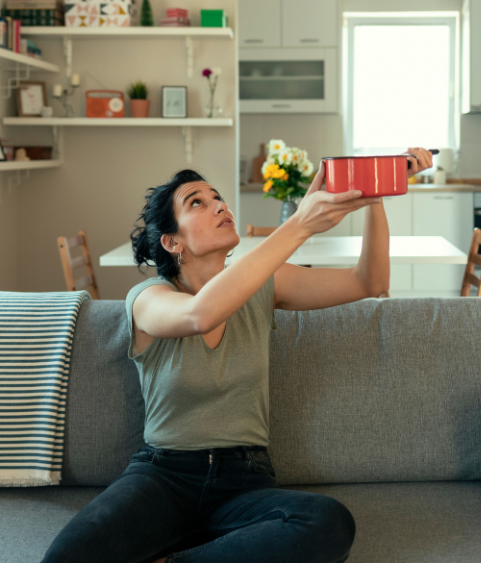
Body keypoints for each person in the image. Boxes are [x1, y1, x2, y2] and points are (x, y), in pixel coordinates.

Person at [40, 148, 432, 563]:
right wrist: (299, 225)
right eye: (198, 202)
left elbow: (370, 281)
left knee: (327, 522)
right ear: (172, 241)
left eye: (218, 198)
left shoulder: (266, 284)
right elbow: (199, 314)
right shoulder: (149, 298)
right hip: (163, 477)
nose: (219, 205)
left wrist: (375, 195)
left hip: (245, 482)